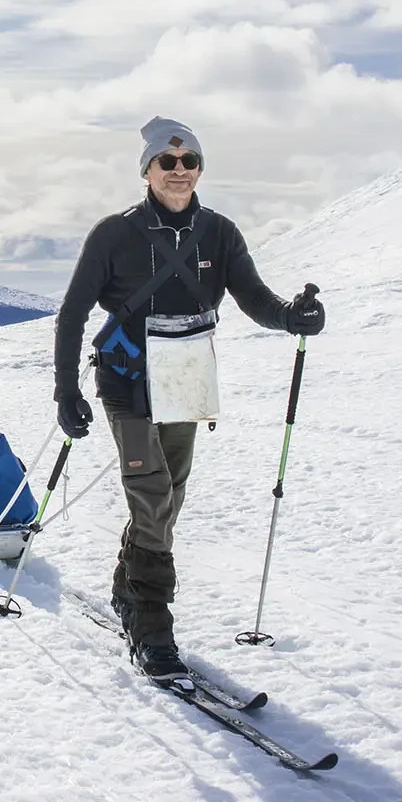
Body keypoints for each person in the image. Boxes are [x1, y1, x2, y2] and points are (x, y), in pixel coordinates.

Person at [53, 117, 325, 678]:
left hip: (187, 378)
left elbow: (254, 297)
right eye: (167, 163)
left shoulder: (220, 233)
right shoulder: (114, 235)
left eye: (189, 162)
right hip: (126, 380)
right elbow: (74, 313)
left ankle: (130, 589)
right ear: (148, 171)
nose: (179, 172)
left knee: (169, 495)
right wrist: (65, 390)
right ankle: (153, 624)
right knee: (150, 493)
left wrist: (292, 317)